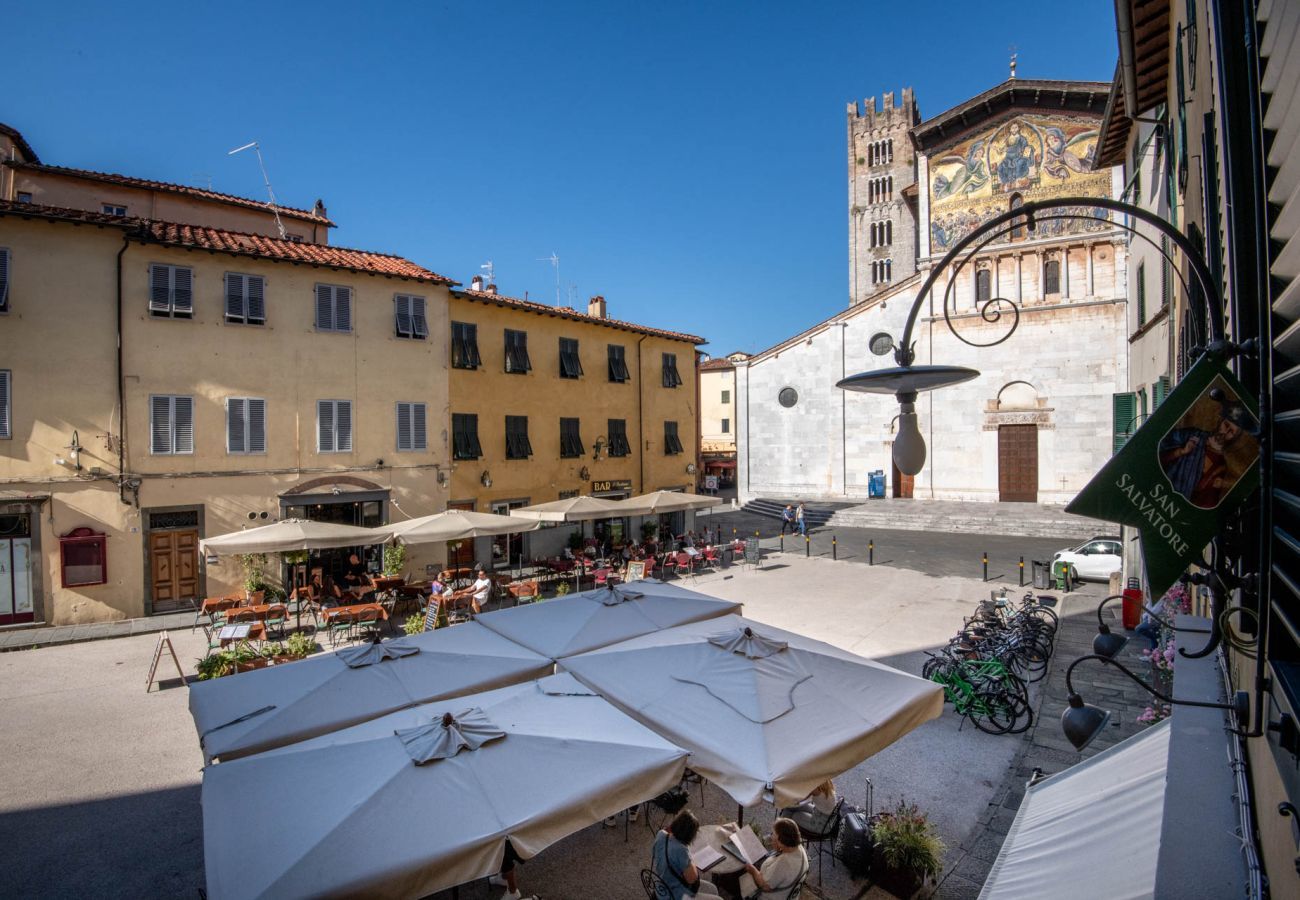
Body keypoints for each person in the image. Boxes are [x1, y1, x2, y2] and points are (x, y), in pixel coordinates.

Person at [1159, 403, 1254, 508]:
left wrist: (1218, 484)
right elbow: (1158, 454)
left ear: (1234, 438)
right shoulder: (1193, 435)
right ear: (1221, 421)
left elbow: (1207, 503)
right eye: (1226, 425)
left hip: (1175, 507)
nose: (1225, 432)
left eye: (1231, 432)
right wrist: (1181, 452)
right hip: (1159, 491)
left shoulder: (1221, 466)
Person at [652, 810, 721, 899]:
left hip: (661, 886)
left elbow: (655, 854)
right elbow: (692, 879)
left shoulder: (661, 834)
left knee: (713, 889)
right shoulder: (681, 850)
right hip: (675, 895)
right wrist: (690, 858)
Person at [739, 818, 809, 900]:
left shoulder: (784, 863)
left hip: (772, 896)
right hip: (788, 893)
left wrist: (753, 870)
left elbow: (765, 886)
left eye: (773, 834)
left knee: (740, 877)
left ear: (781, 841)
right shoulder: (799, 848)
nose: (771, 836)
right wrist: (778, 846)